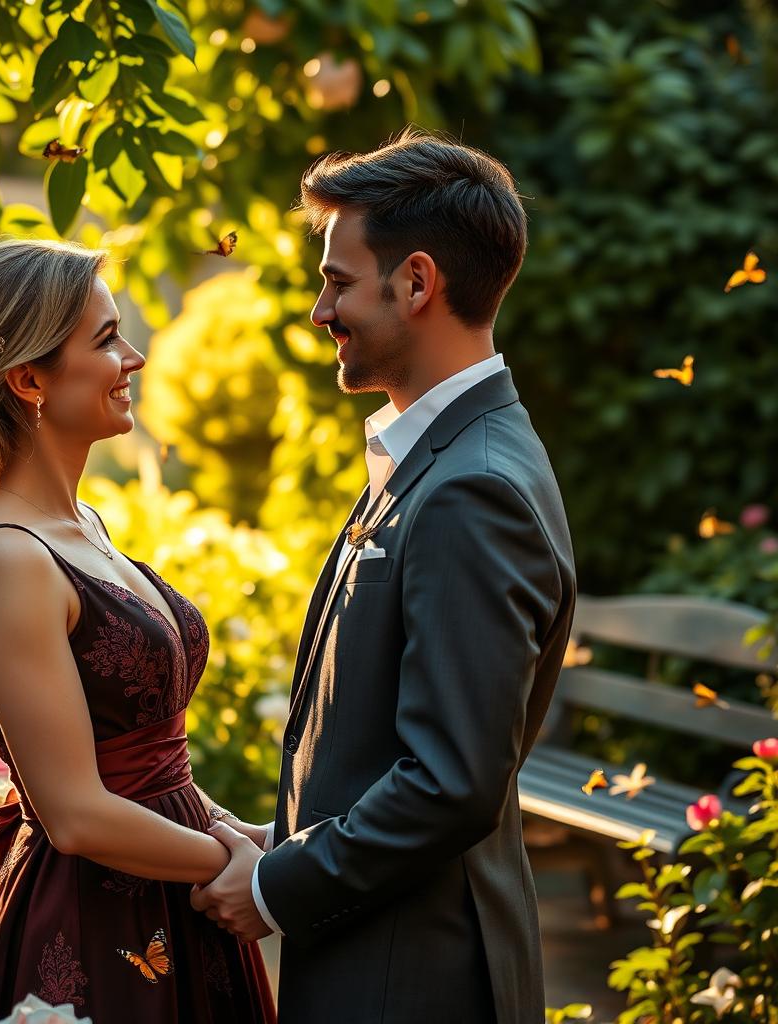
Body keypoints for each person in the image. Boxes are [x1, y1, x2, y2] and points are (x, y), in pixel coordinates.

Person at [190, 129, 577, 1024]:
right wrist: (277, 840)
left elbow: (450, 781)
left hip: (416, 977)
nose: (320, 311)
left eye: (337, 281)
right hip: (388, 945)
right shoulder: (446, 456)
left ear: (415, 283)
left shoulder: (474, 485)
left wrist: (279, 886)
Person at [0, 237, 276, 1024]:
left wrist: (247, 837)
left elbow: (137, 756)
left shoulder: (79, 523)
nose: (132, 358)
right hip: (102, 928)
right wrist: (240, 871)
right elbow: (74, 810)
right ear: (29, 379)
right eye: (105, 340)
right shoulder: (9, 559)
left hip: (171, 888)